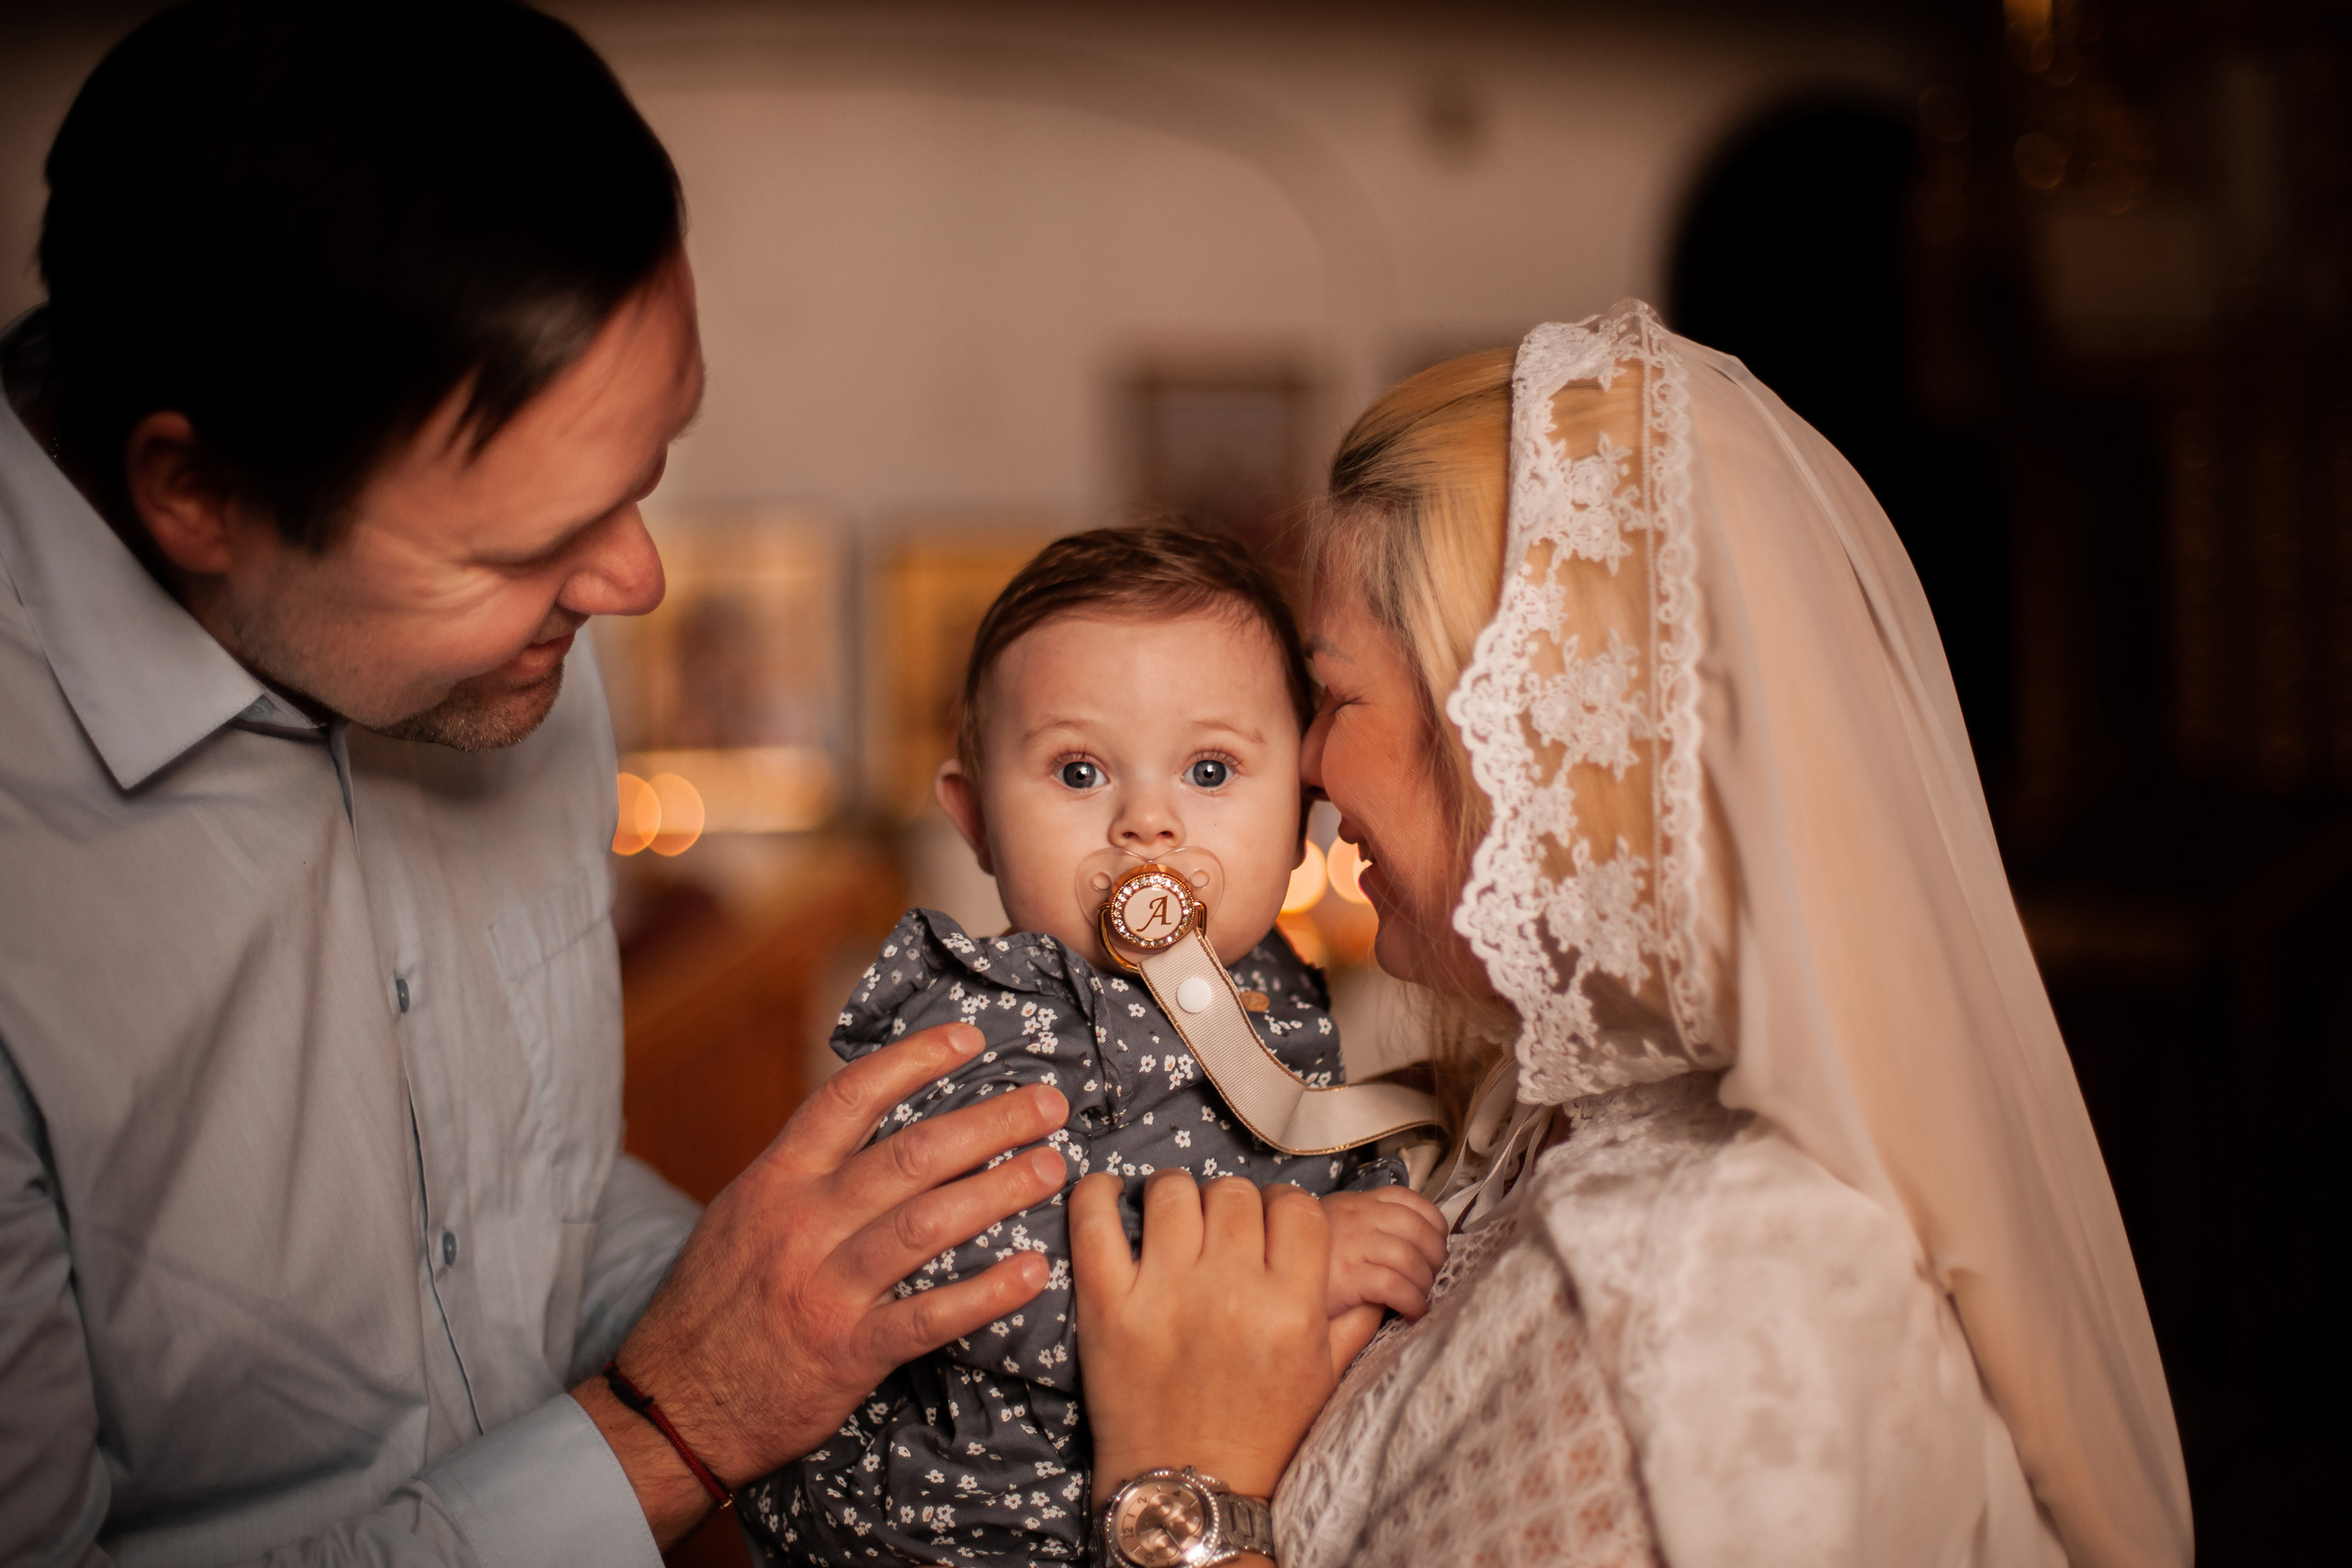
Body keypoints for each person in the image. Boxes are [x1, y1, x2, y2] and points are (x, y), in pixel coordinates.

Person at [0, 5, 1068, 1562]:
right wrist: (682, 1418)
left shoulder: (504, 661)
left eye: (642, 476)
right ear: (199, 495)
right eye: (520, 548)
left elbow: (519, 1212)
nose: (628, 581)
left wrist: (832, 1306)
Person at [1068, 301, 2195, 1567]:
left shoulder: (1712, 1272)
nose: (1316, 768)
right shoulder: (1558, 1138)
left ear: (1521, 727)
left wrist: (1185, 1485)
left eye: (1334, 695)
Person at [738, 525, 1449, 1566]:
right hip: (971, 1522)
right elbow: (964, 1270)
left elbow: (1300, 1152)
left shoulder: (1277, 990)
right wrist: (1308, 1270)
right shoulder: (972, 1016)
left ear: (1302, 814)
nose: (1147, 823)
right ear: (975, 821)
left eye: (1210, 769)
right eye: (1078, 772)